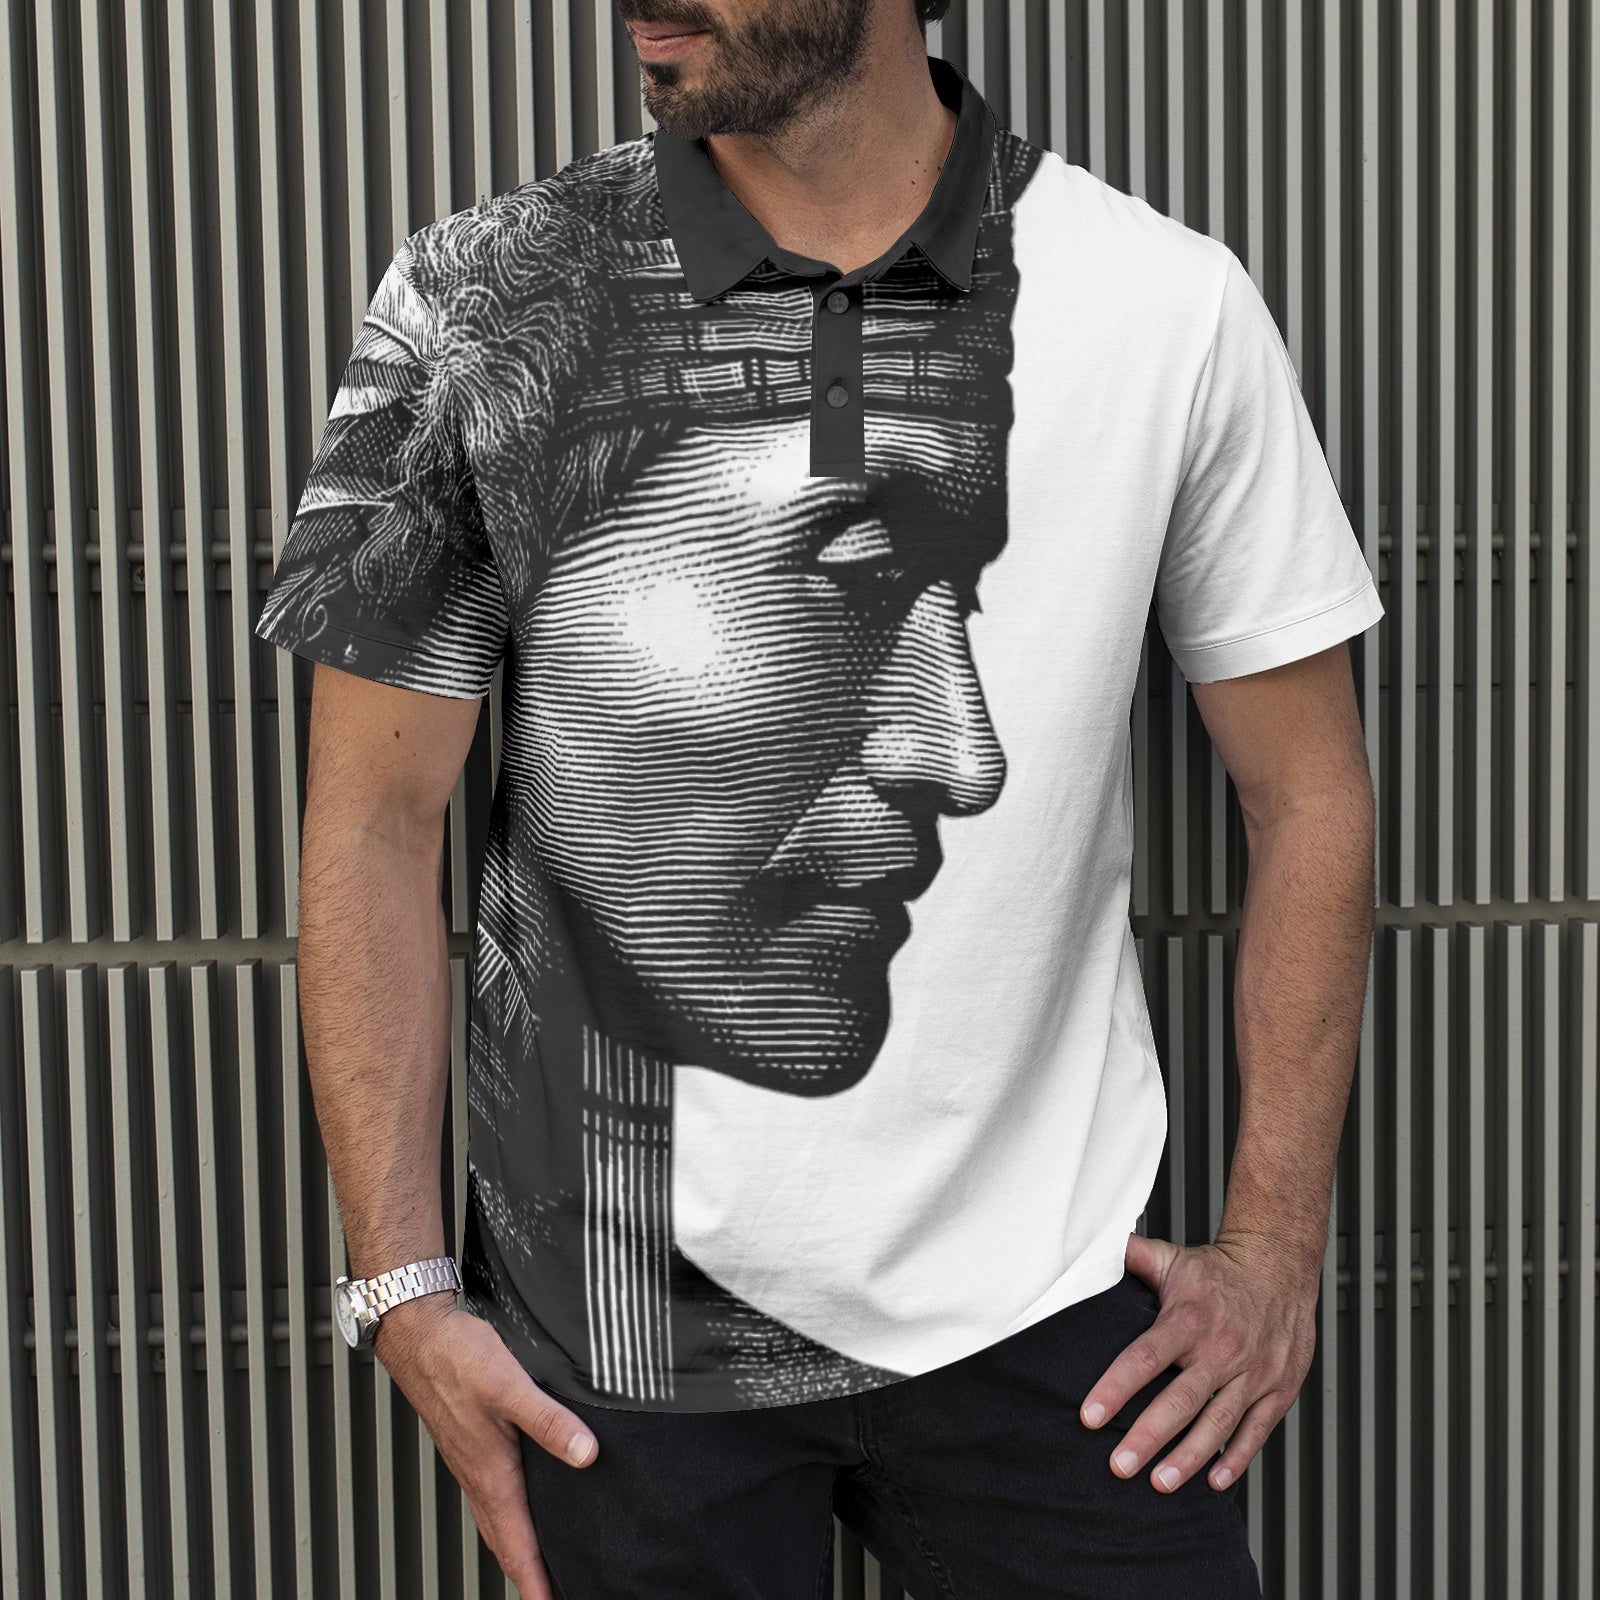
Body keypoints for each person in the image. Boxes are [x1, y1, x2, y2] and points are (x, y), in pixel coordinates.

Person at [255, 0, 1384, 1593]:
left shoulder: (1164, 304)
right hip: (606, 1357)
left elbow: (1309, 792)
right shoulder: (477, 306)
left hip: (1057, 1319)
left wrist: (1271, 1251)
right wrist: (401, 1287)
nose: (960, 756)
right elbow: (375, 816)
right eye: (847, 577)